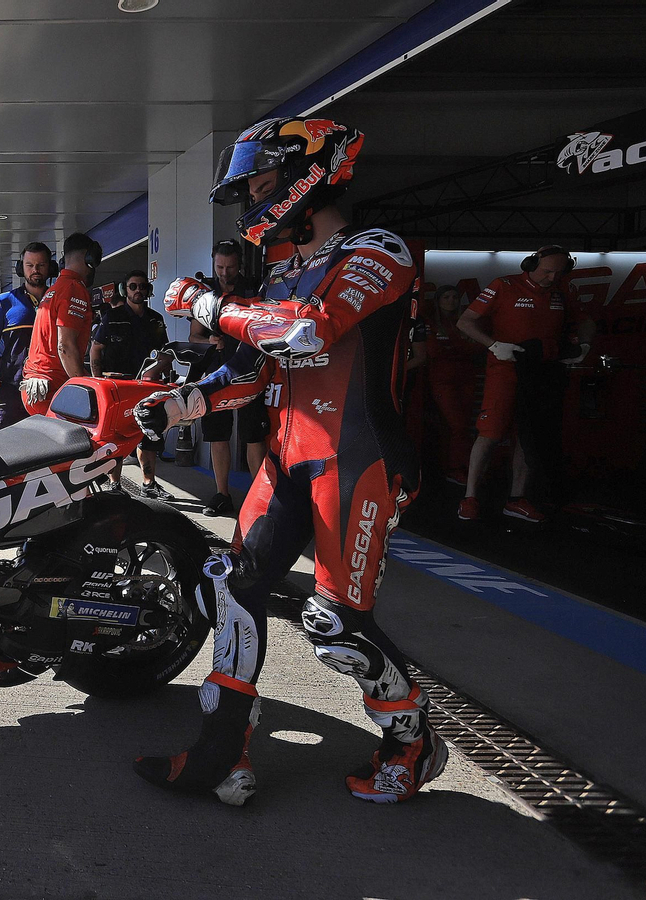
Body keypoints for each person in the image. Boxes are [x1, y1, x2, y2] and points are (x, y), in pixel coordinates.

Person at [135, 117, 445, 806]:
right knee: (231, 585)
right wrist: (176, 406)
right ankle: (223, 753)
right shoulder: (283, 270)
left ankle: (413, 741)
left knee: (333, 625)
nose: (251, 199)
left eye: (261, 182)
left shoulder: (377, 250)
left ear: (307, 174)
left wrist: (213, 305)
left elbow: (308, 332)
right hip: (288, 454)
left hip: (358, 459)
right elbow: (251, 372)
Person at [456, 246, 594, 523]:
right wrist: (493, 345)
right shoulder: (504, 285)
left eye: (558, 272)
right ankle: (470, 496)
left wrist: (584, 345)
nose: (551, 277)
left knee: (529, 435)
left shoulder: (562, 290)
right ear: (531, 264)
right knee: (491, 432)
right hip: (505, 368)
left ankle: (516, 498)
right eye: (546, 271)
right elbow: (465, 322)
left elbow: (586, 320)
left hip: (543, 372)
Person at [188, 240, 270, 516]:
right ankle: (222, 495)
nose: (224, 272)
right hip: (215, 375)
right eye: (220, 267)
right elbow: (194, 336)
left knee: (253, 437)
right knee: (217, 436)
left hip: (250, 372)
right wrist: (209, 340)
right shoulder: (205, 293)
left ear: (240, 265)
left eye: (230, 267)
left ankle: (258, 500)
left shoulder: (255, 288)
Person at [90, 269, 173, 499]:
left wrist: (161, 375)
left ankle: (149, 483)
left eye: (142, 287)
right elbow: (96, 348)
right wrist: (98, 381)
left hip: (147, 388)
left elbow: (165, 353)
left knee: (150, 435)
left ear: (148, 290)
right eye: (133, 286)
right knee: (117, 436)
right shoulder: (111, 317)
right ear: (124, 290)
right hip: (116, 387)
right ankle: (114, 484)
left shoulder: (156, 319)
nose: (138, 291)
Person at [20, 233, 101, 416]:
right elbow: (65, 346)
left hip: (37, 387)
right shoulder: (74, 288)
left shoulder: (55, 289)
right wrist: (86, 388)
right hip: (52, 389)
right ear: (90, 258)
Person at [0, 242, 53, 430]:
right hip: (11, 390)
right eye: (30, 265)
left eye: (41, 265)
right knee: (2, 447)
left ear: (51, 267)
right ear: (21, 268)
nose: (35, 270)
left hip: (51, 390)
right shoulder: (4, 301)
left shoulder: (58, 300)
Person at [420, 286, 481, 484]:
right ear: (438, 300)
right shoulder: (430, 323)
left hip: (467, 378)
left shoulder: (467, 322)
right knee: (457, 425)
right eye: (446, 297)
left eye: (455, 297)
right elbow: (433, 352)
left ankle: (461, 467)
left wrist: (453, 347)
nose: (451, 300)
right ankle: (454, 468)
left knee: (464, 425)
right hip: (442, 380)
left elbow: (478, 348)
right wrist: (461, 347)